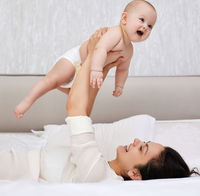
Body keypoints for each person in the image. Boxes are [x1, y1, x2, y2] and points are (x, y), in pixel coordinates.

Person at [1, 29, 199, 182]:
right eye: (144, 141)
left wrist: (96, 53)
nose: (137, 140)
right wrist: (103, 65)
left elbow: (76, 109)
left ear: (134, 174)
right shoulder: (101, 167)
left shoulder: (97, 175)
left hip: (13, 169)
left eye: (142, 148)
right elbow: (84, 112)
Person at [14, 0, 157, 119]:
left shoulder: (129, 50)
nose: (145, 27)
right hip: (76, 60)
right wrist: (96, 69)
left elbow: (123, 69)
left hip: (86, 72)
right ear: (124, 19)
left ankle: (60, 86)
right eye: (142, 20)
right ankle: (27, 102)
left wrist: (119, 85)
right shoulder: (115, 33)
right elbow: (99, 48)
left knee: (78, 98)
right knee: (52, 80)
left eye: (150, 26)